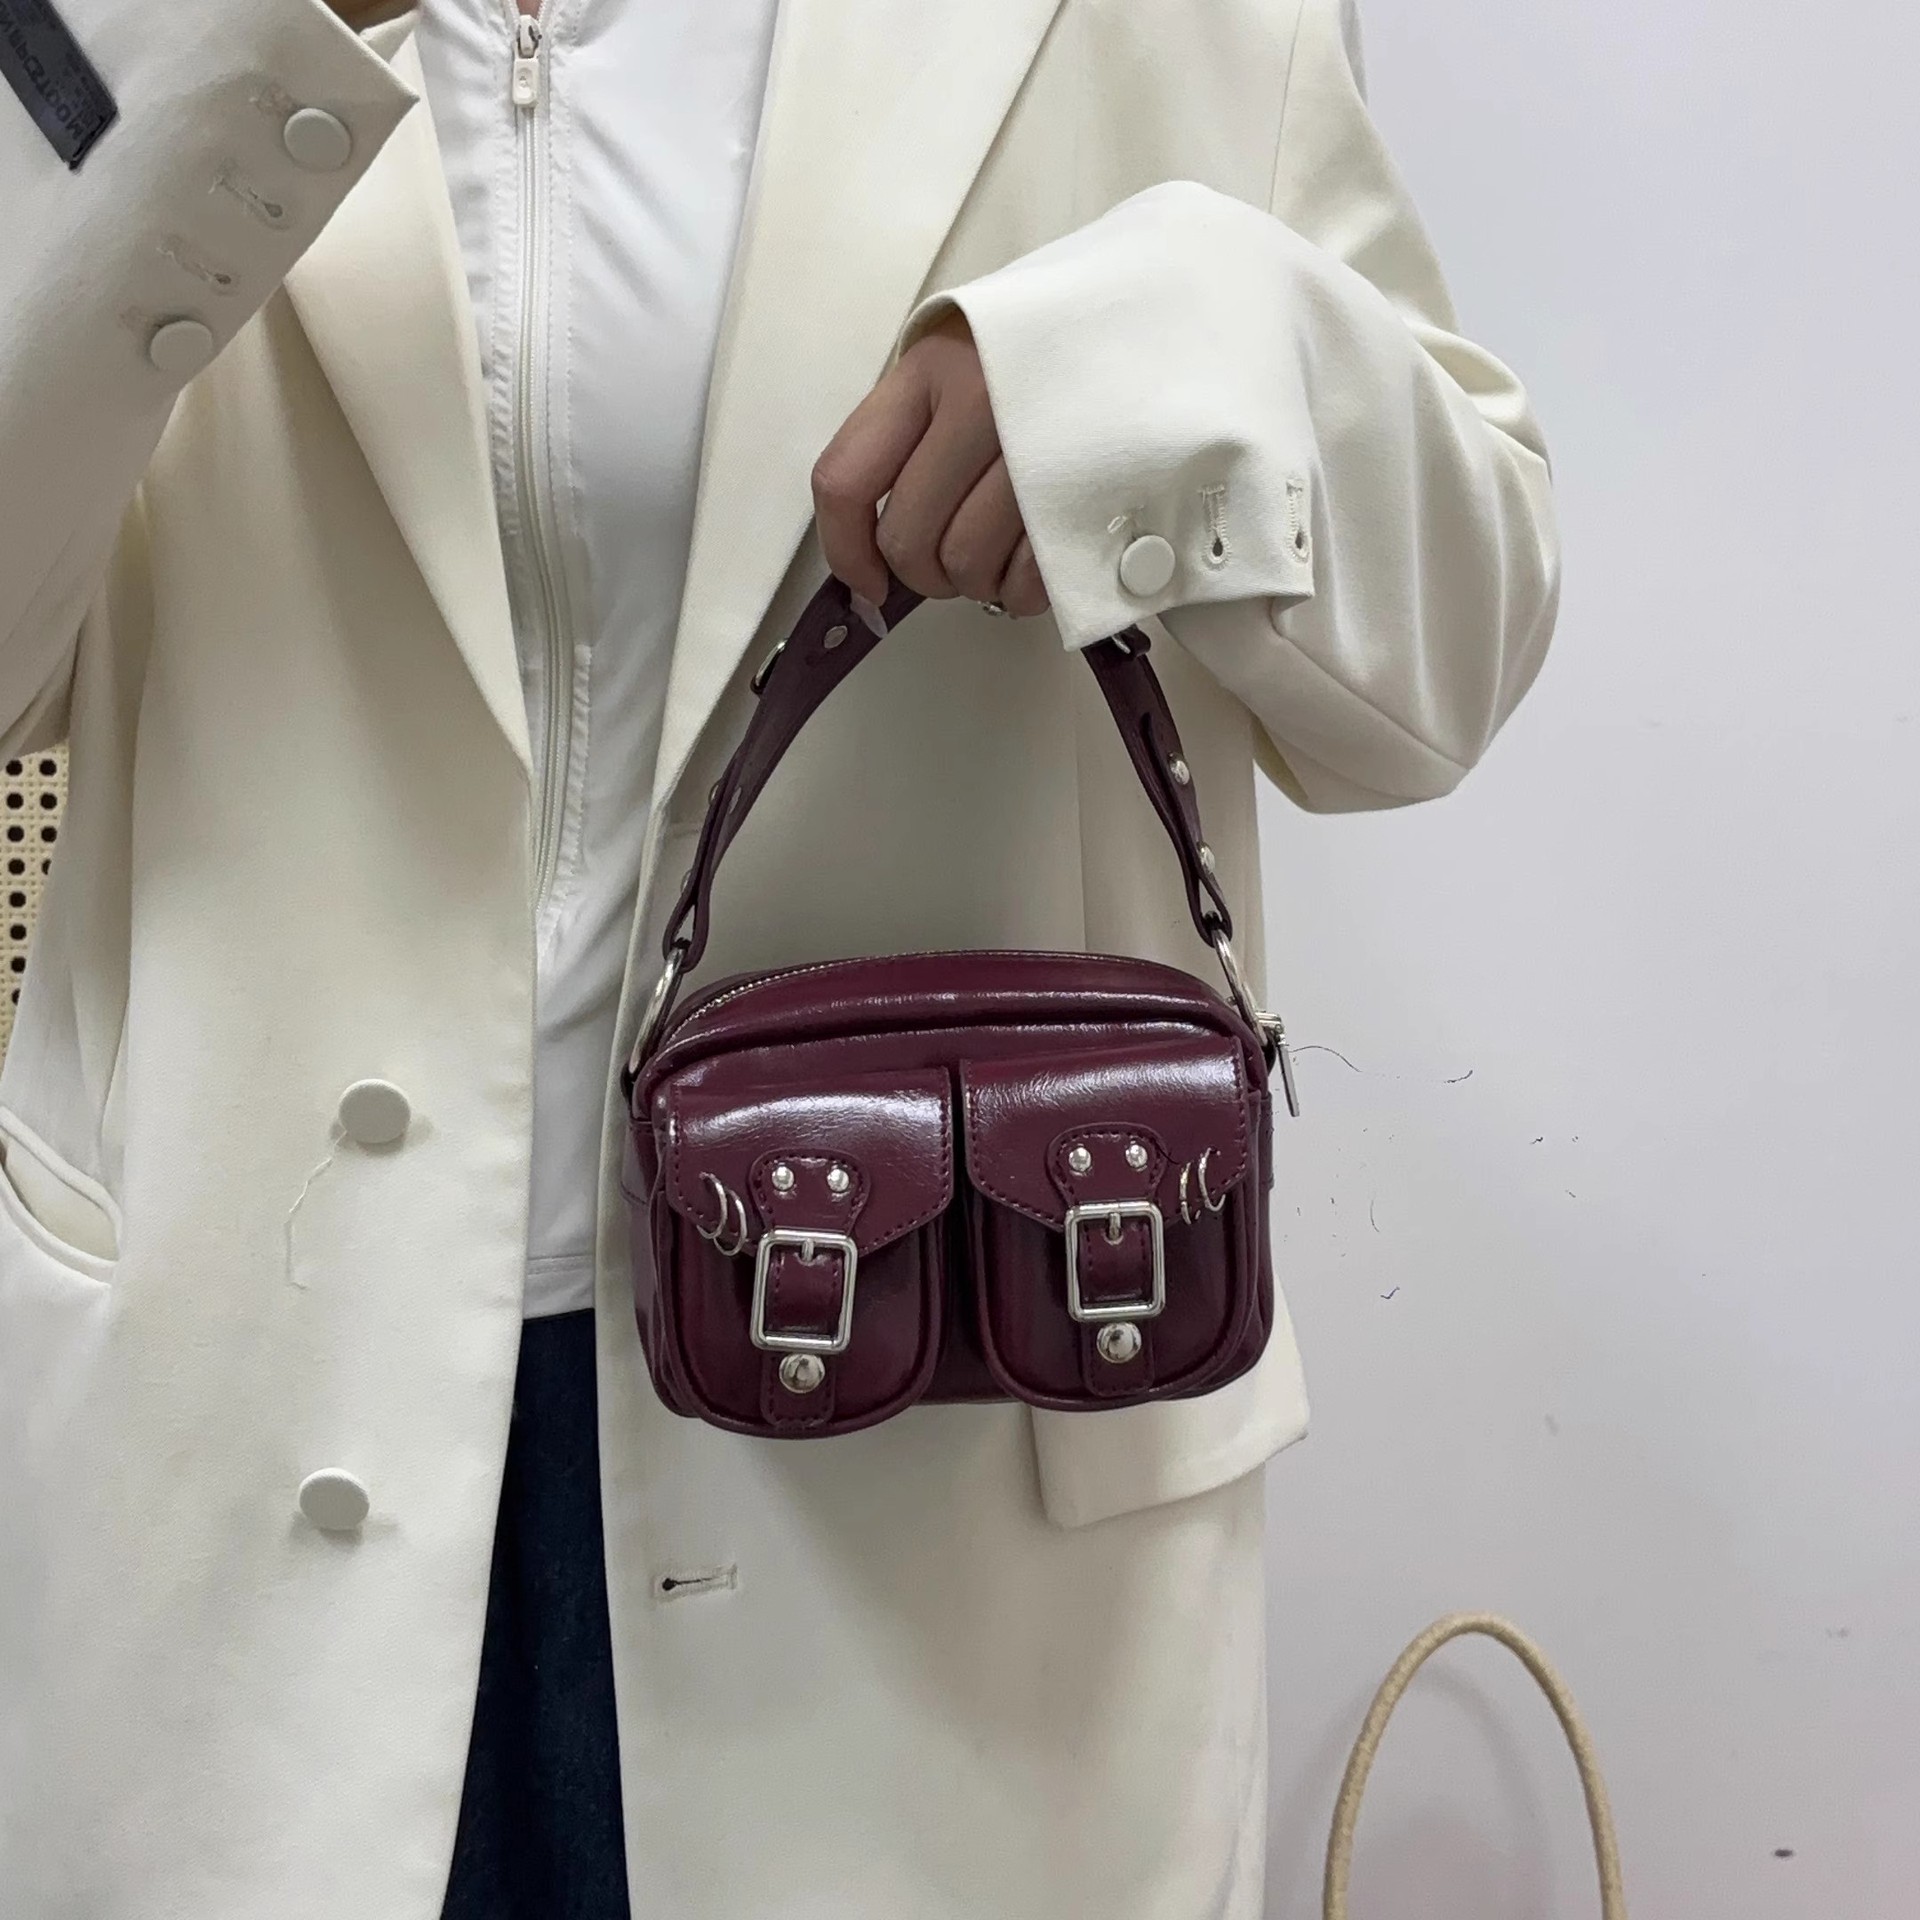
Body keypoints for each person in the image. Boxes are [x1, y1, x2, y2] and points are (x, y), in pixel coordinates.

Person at [0, 0, 1559, 1914]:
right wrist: (211, 56)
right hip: (233, 1420)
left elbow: (1460, 647)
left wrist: (1154, 366)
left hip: (952, 1448)